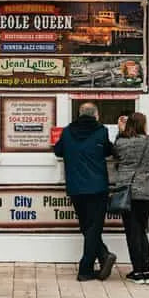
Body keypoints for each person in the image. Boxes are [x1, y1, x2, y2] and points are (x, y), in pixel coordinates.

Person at [53, 102, 117, 281]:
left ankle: (103, 256)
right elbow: (108, 151)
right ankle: (85, 269)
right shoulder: (101, 131)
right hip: (97, 187)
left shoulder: (67, 131)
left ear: (79, 114)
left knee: (86, 227)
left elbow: (58, 151)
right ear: (96, 114)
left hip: (75, 187)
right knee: (93, 228)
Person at [112, 112, 149, 285]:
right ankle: (147, 271)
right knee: (142, 230)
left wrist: (120, 131)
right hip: (147, 191)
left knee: (133, 232)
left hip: (128, 191)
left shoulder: (122, 142)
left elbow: (116, 153)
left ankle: (137, 272)